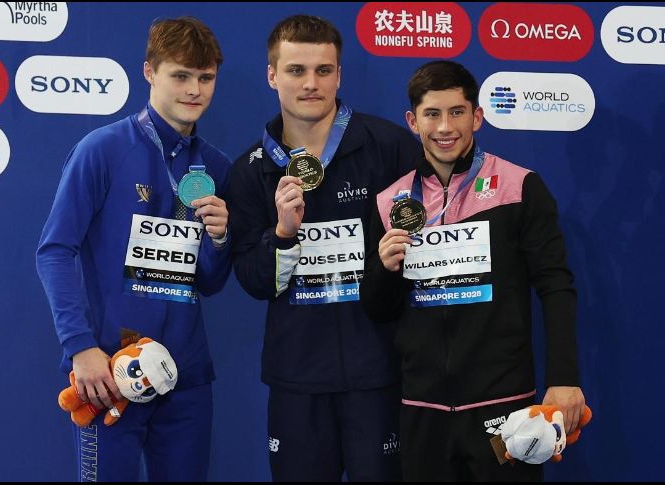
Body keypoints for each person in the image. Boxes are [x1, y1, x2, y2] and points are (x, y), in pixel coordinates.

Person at [359, 60, 587, 481]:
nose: (445, 127)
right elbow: (378, 308)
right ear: (412, 121)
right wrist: (386, 270)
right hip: (423, 407)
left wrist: (564, 378)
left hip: (505, 406)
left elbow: (555, 285)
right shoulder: (390, 201)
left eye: (457, 112)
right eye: (432, 114)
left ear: (477, 117)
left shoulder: (520, 187)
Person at [227, 14, 423, 482]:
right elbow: (255, 283)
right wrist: (283, 234)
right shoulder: (251, 171)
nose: (311, 84)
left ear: (339, 74)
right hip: (297, 380)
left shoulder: (391, 148)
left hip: (379, 375)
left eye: (323, 70)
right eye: (296, 71)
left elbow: (426, 257)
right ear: (272, 75)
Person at [36, 17, 231, 482]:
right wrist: (81, 347)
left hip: (184, 377)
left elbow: (209, 280)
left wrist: (220, 240)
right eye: (180, 76)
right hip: (107, 372)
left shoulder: (218, 166)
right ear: (149, 72)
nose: (194, 90)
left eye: (205, 78)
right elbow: (55, 250)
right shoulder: (101, 150)